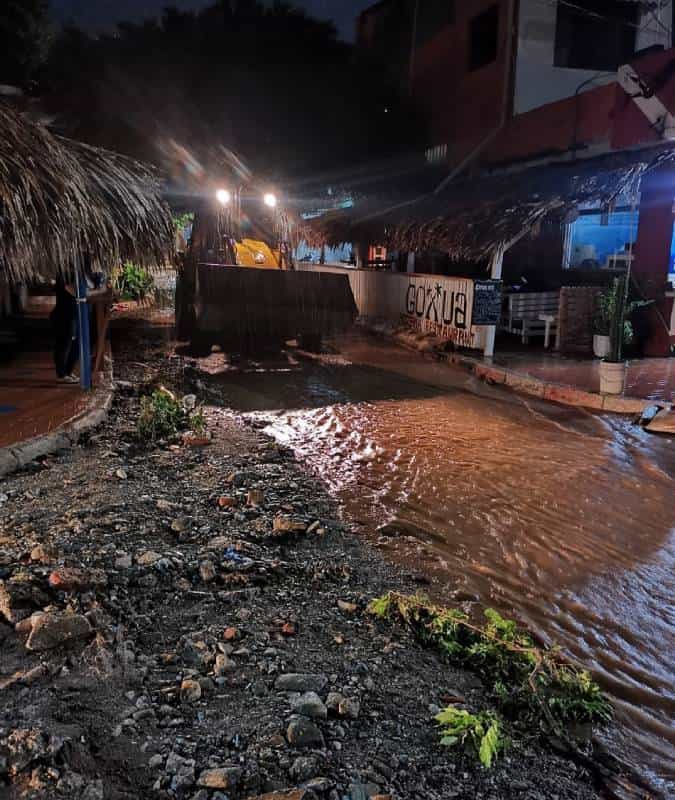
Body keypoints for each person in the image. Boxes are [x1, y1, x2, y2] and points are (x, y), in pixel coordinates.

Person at [51, 275, 79, 382]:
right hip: (63, 316)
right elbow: (73, 291)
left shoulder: (69, 276)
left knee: (69, 344)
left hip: (68, 315)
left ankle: (67, 372)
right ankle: (61, 374)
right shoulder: (63, 278)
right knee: (63, 345)